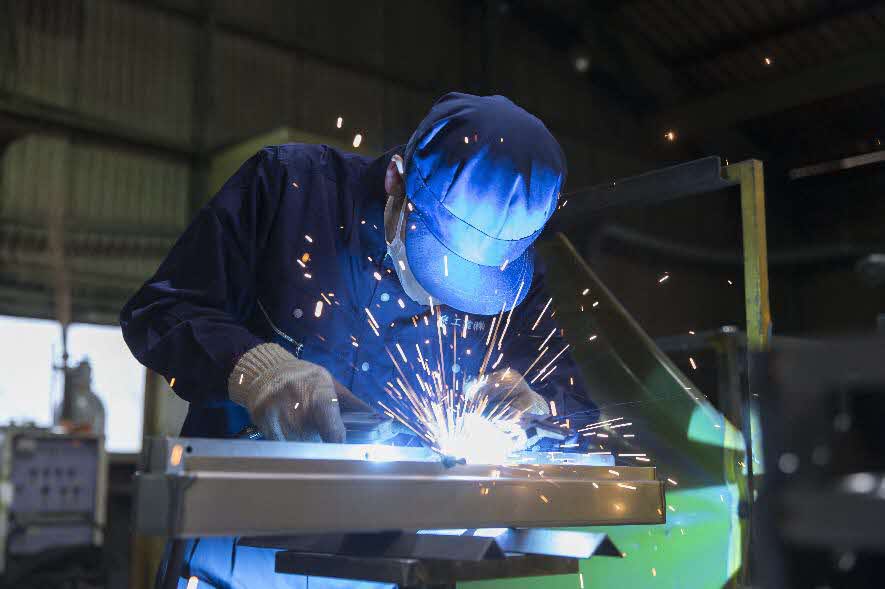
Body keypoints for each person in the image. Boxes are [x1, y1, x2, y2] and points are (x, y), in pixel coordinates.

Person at [121, 93, 582, 589]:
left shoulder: (516, 282)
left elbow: (572, 403)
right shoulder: (287, 187)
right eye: (437, 257)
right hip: (237, 550)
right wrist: (252, 367)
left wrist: (539, 411)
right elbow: (159, 311)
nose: (437, 292)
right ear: (397, 180)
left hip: (402, 561)